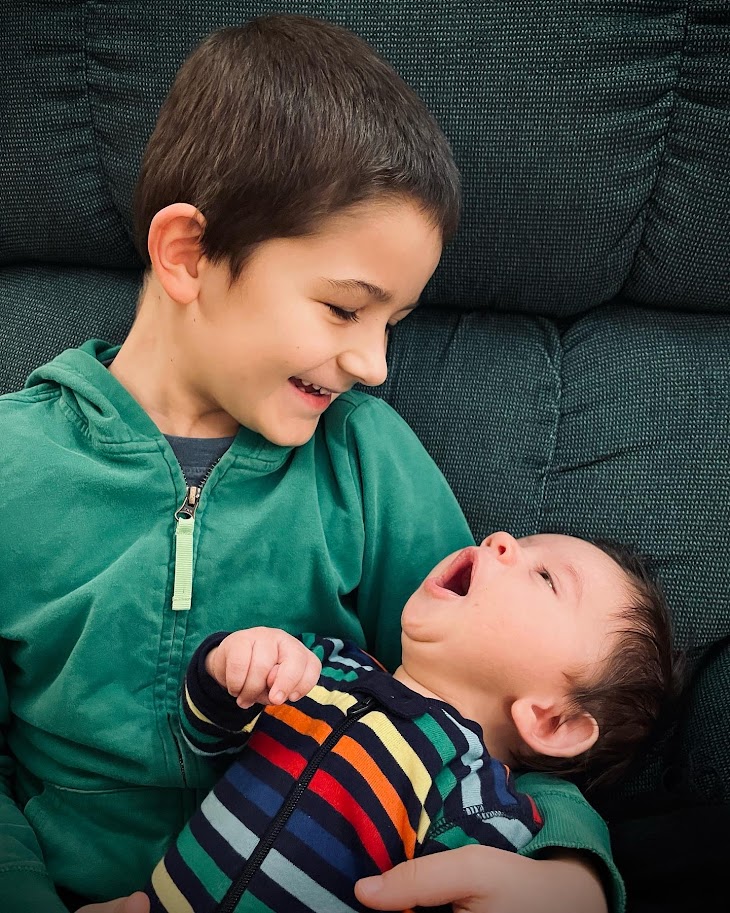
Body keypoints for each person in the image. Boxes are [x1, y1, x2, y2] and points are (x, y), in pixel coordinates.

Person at [0, 14, 620, 913]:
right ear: (188, 255)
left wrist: (570, 871)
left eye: (392, 325)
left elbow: (498, 709)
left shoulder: (368, 461)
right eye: (342, 310)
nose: (374, 364)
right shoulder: (17, 465)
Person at [144, 531, 675, 913]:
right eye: (524, 540)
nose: (502, 538)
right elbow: (208, 739)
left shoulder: (476, 799)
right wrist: (230, 666)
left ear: (554, 722)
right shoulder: (324, 664)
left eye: (545, 576)